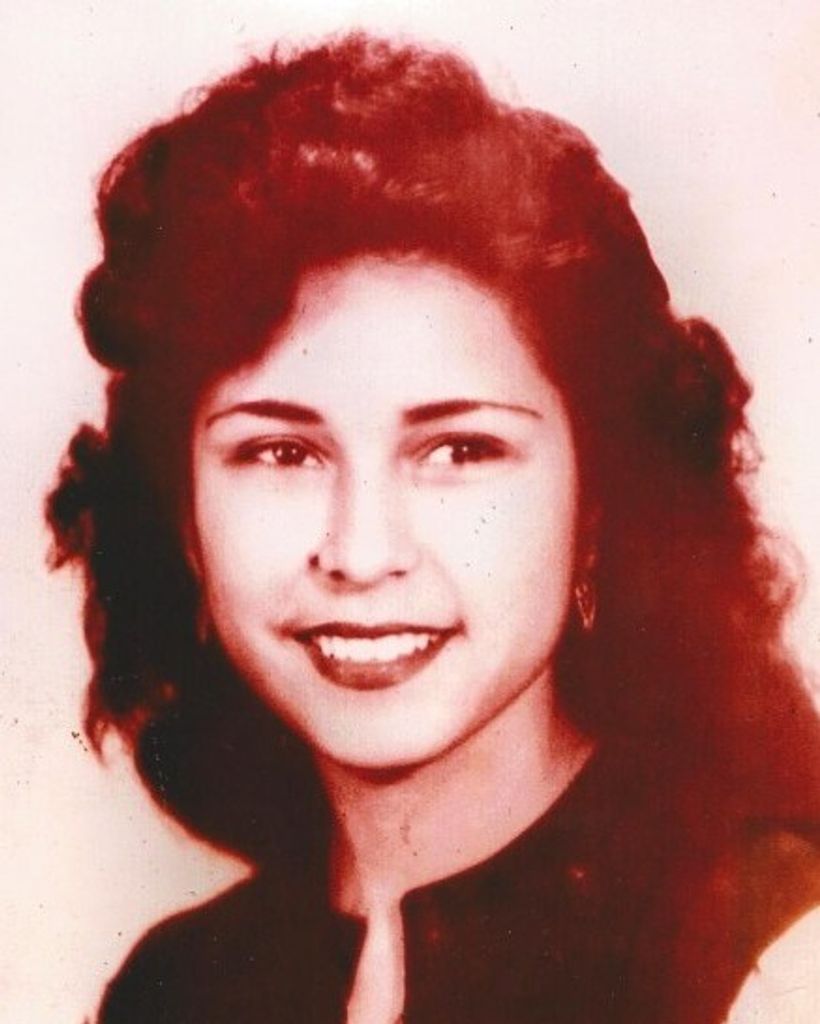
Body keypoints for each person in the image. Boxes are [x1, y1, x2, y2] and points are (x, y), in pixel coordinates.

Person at [47, 32, 820, 1024]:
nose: (362, 553)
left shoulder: (777, 952)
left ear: (596, 507)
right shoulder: (174, 990)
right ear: (184, 521)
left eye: (460, 450)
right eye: (281, 453)